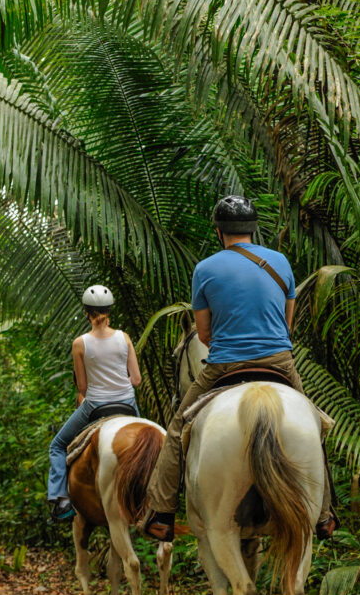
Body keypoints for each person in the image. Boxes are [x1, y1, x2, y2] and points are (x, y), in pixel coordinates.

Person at [141, 195, 338, 542]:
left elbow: (203, 334)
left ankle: (161, 512)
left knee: (177, 427)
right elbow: (286, 325)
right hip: (280, 362)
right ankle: (323, 513)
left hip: (224, 363)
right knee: (316, 425)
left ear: (219, 233)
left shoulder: (205, 269)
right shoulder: (280, 263)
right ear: (253, 229)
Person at [48, 285, 142, 521]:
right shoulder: (125, 338)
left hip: (96, 405)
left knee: (57, 446)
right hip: (128, 404)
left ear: (87, 313)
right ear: (110, 311)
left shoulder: (80, 343)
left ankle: (61, 500)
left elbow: (82, 388)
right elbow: (137, 380)